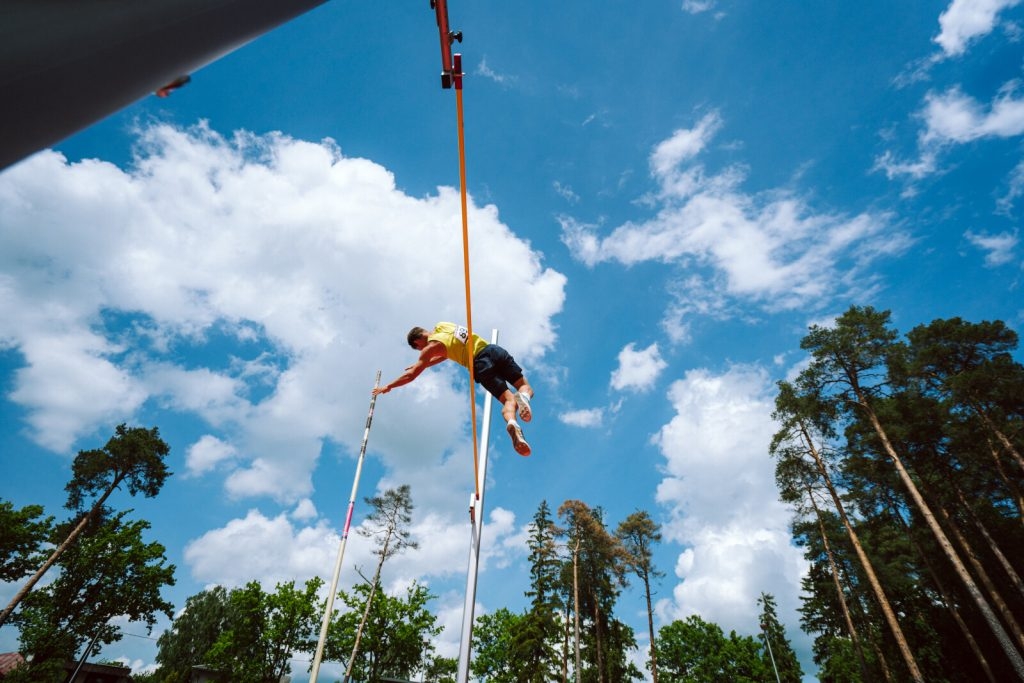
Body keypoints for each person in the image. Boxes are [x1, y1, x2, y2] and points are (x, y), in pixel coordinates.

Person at [373, 322, 535, 456]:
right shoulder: (443, 325)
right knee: (524, 387)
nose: (421, 351)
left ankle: (512, 422)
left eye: (418, 348)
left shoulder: (429, 349)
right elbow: (446, 353)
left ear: (417, 342)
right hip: (492, 350)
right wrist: (425, 364)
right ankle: (524, 399)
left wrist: (389, 386)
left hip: (478, 364)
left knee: (508, 400)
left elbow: (411, 376)